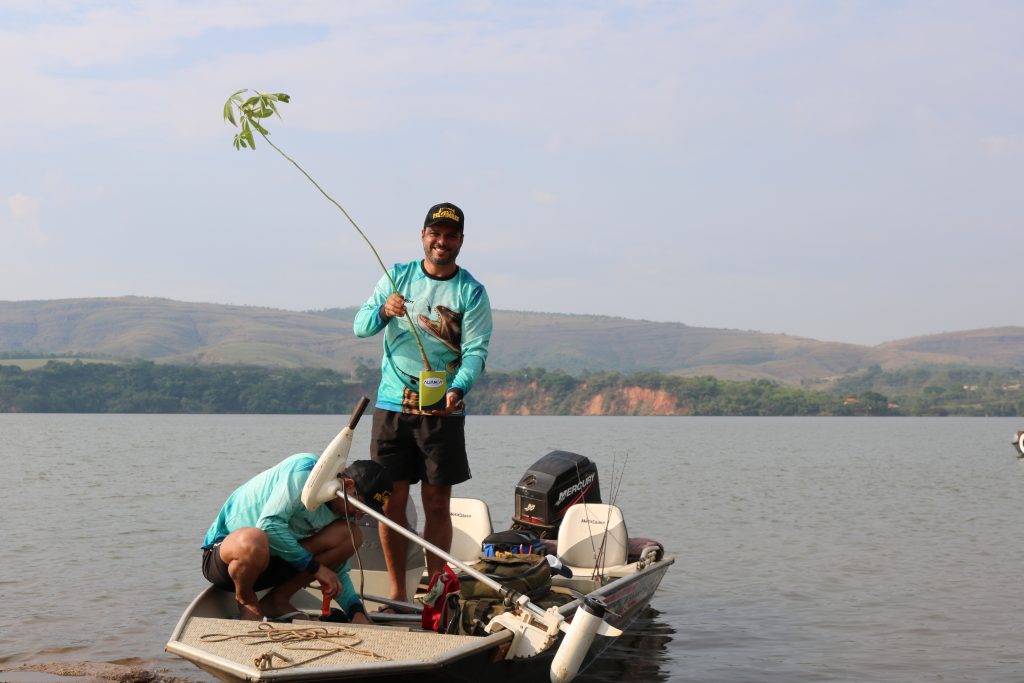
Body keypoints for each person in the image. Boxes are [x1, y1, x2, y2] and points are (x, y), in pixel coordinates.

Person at [353, 201, 493, 604]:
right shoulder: (396, 277)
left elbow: (476, 352)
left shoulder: (472, 292)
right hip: (393, 408)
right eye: (435, 234)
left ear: (461, 242)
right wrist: (384, 309)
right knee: (391, 503)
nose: (442, 242)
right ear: (423, 235)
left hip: (442, 411)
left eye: (450, 236)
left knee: (436, 503)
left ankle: (436, 591)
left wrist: (457, 389)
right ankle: (398, 591)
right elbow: (360, 326)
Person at [201, 456, 393, 622]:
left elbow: (336, 568)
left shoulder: (344, 511)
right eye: (361, 508)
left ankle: (277, 601)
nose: (360, 516)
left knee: (350, 535)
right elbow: (269, 525)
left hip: (274, 563)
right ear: (348, 486)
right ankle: (246, 600)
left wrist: (355, 610)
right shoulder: (305, 471)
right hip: (226, 560)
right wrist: (316, 568)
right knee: (255, 539)